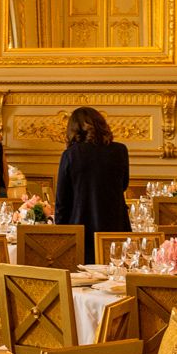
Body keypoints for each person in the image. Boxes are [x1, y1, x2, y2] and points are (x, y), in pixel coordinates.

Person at [54, 106, 130, 261]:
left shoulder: (71, 155)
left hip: (81, 228)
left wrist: (61, 232)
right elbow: (123, 185)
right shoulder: (120, 150)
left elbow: (62, 200)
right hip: (115, 225)